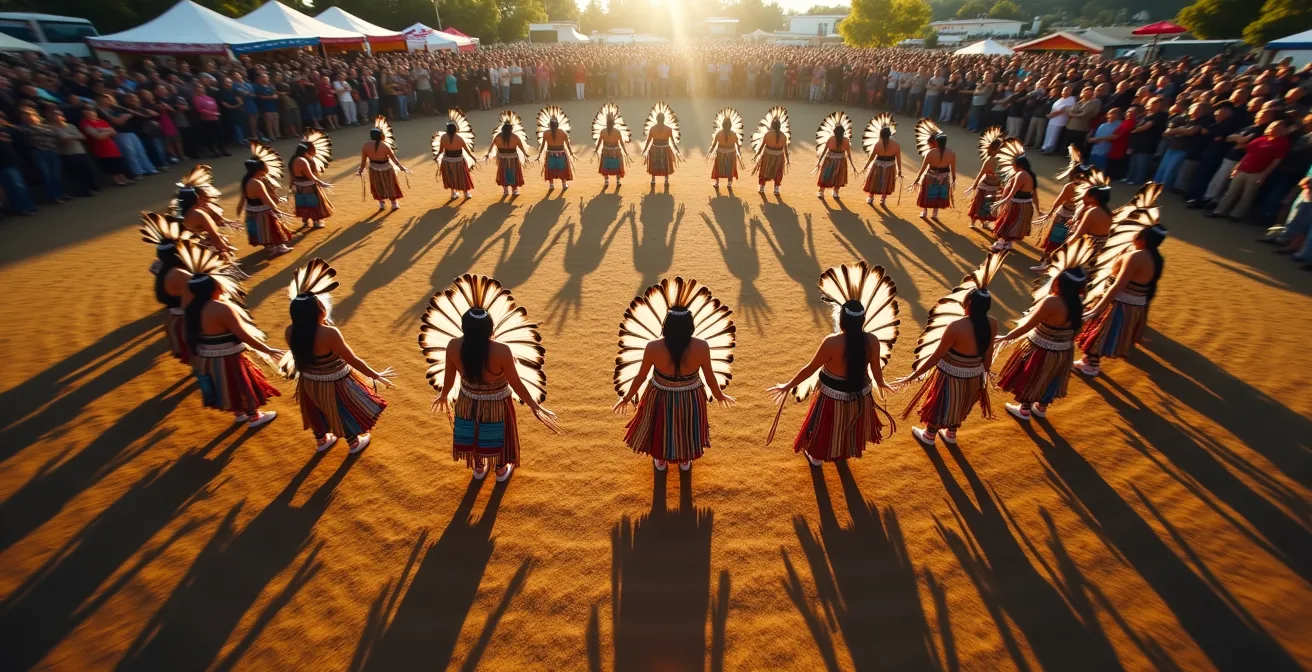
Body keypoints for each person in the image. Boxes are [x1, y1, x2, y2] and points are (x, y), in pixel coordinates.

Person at [426, 275, 559, 482]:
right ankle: (499, 469)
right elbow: (516, 383)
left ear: (464, 327)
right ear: (491, 328)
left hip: (467, 401)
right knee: (498, 434)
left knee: (473, 431)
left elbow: (449, 377)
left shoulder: (453, 345)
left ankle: (479, 468)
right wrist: (534, 405)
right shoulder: (502, 350)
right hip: (498, 403)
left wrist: (444, 395)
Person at [766, 263, 897, 465]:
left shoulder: (832, 342)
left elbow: (809, 369)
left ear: (841, 321)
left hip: (831, 397)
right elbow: (875, 371)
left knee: (826, 425)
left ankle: (817, 457)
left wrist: (787, 386)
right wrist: (881, 383)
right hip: (861, 395)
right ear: (863, 320)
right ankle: (842, 452)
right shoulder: (872, 340)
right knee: (849, 425)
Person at [613, 279, 736, 472]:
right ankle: (685, 460)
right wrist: (719, 395)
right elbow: (710, 377)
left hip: (659, 395)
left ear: (666, 325)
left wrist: (627, 397)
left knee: (661, 426)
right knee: (687, 425)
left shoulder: (652, 347)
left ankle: (660, 461)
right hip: (691, 396)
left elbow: (640, 377)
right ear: (691, 325)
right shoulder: (702, 346)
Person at [283, 258, 394, 454]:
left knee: (315, 410)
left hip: (308, 382)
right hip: (335, 382)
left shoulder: (290, 331)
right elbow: (352, 360)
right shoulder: (329, 334)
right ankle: (353, 444)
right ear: (320, 313)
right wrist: (375, 375)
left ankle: (322, 441)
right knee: (342, 410)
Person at [900, 254, 1002, 447]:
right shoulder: (993, 323)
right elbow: (988, 353)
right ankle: (951, 432)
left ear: (968, 304)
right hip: (975, 373)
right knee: (961, 402)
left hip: (950, 374)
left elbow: (936, 356)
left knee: (941, 402)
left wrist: (915, 375)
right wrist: (985, 371)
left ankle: (930, 434)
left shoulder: (956, 326)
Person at [181, 240, 283, 428]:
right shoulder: (222, 308)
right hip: (228, 357)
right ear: (214, 288)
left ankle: (240, 412)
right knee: (240, 382)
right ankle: (254, 416)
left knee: (225, 384)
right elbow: (243, 335)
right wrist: (267, 349)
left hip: (206, 357)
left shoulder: (191, 308)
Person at [995, 246, 1092, 421]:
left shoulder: (1051, 302)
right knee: (1052, 377)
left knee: (1033, 376)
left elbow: (1027, 326)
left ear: (1058, 284)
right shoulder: (1079, 302)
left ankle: (1024, 409)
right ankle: (1041, 407)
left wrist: (1006, 337)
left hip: (1041, 349)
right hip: (1064, 351)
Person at [1074, 224, 1168, 377]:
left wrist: (1098, 308)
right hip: (1134, 305)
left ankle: (1091, 365)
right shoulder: (1156, 258)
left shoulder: (1136, 257)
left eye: (1137, 234)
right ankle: (1090, 362)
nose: (1134, 236)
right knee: (1104, 333)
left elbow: (1118, 285)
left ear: (1143, 239)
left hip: (1119, 303)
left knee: (1099, 333)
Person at [1208, 118, 1292, 221]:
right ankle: (1219, 211)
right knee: (1231, 191)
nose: (1271, 129)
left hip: (1258, 172)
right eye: (1271, 127)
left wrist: (1263, 175)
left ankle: (1236, 215)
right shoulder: (1261, 139)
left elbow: (1276, 162)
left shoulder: (1282, 143)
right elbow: (1248, 154)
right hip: (1244, 168)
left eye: (1275, 127)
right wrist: (1237, 167)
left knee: (1247, 195)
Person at [141, 213, 194, 365]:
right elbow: (189, 299)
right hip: (186, 320)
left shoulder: (158, 267)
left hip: (173, 319)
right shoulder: (180, 274)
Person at [1032, 146, 1091, 270]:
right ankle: (1060, 264)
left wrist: (1050, 213)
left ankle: (1047, 264)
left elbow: (1058, 202)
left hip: (1063, 215)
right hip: (1077, 218)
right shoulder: (1089, 188)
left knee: (1055, 240)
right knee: (1067, 241)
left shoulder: (1070, 186)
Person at [238, 151, 293, 255]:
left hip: (251, 210)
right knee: (272, 229)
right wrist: (277, 210)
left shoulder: (246, 180)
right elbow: (266, 199)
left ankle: (270, 246)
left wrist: (239, 210)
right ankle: (279, 246)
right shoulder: (257, 183)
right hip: (262, 211)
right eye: (266, 165)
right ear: (259, 170)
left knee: (259, 230)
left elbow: (243, 199)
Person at [990, 139, 1039, 252]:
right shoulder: (1030, 175)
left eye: (1014, 164)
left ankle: (1001, 242)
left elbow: (1012, 193)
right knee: (1016, 225)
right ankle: (1009, 243)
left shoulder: (1021, 175)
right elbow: (1035, 196)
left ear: (1019, 165)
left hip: (1016, 204)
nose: (1012, 165)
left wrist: (1000, 203)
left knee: (1007, 222)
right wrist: (1038, 209)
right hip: (1026, 205)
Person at [358, 117, 405, 210]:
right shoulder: (385, 145)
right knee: (391, 185)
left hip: (373, 168)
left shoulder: (366, 146)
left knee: (377, 185)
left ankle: (382, 203)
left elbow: (363, 161)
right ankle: (394, 203)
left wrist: (361, 170)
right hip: (387, 168)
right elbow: (393, 159)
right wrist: (400, 167)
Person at [911, 120, 955, 219]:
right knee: (938, 195)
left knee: (927, 194)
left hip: (930, 176)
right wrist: (954, 180)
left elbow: (923, 168)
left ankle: (924, 212)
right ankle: (935, 214)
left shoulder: (930, 153)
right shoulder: (952, 153)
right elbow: (953, 169)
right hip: (944, 178)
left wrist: (917, 178)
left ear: (936, 142)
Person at [290, 131, 333, 229]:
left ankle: (305, 220)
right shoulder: (303, 161)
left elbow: (291, 176)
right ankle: (316, 221)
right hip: (308, 187)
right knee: (313, 203)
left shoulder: (293, 159)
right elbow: (311, 176)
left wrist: (290, 188)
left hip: (298, 186)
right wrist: (321, 183)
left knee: (303, 202)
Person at [965, 127, 1002, 227]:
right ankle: (973, 221)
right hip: (986, 186)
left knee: (987, 206)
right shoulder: (989, 160)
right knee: (979, 204)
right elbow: (981, 173)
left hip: (994, 187)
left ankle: (982, 221)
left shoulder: (1002, 160)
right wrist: (975, 184)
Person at [815, 111, 856, 200]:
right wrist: (852, 165)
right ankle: (836, 192)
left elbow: (824, 151)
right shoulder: (846, 141)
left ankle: (821, 192)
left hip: (829, 160)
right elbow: (849, 154)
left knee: (826, 175)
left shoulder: (831, 139)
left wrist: (819, 162)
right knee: (838, 176)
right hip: (840, 161)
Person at [435, 112, 476, 200]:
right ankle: (466, 193)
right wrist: (472, 157)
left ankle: (453, 193)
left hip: (447, 161)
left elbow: (441, 150)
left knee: (450, 176)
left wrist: (436, 156)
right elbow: (466, 150)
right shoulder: (459, 138)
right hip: (458, 161)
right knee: (463, 176)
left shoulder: (443, 138)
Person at [487, 114, 529, 197]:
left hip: (503, 159)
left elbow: (492, 146)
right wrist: (525, 154)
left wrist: (488, 154)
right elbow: (520, 147)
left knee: (503, 172)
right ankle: (514, 189)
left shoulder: (498, 137)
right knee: (513, 173)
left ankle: (505, 190)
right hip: (512, 159)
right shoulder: (515, 137)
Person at [751, 106, 790, 195]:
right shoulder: (783, 136)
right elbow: (786, 149)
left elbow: (762, 146)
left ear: (771, 125)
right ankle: (776, 188)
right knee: (778, 171)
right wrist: (787, 159)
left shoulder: (768, 134)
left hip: (768, 155)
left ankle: (762, 187)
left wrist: (757, 155)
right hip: (779, 156)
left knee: (764, 170)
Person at [593, 103, 632, 189]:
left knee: (606, 165)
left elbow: (599, 142)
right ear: (614, 123)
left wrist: (596, 150)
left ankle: (606, 181)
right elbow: (621, 142)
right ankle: (618, 181)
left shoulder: (603, 131)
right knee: (617, 165)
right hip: (616, 151)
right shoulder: (617, 132)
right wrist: (625, 151)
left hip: (606, 150)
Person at [537, 106, 575, 190]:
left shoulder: (546, 133)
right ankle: (564, 184)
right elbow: (568, 145)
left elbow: (543, 145)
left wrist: (539, 154)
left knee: (551, 168)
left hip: (550, 153)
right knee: (562, 168)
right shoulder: (563, 133)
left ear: (550, 125)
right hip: (561, 153)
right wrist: (571, 153)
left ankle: (551, 185)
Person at [708, 108, 742, 190]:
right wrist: (739, 154)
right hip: (731, 153)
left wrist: (710, 152)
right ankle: (729, 184)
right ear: (731, 125)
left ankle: (717, 183)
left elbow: (714, 145)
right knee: (730, 168)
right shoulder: (734, 134)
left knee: (718, 167)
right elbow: (738, 145)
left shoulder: (719, 133)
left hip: (720, 153)